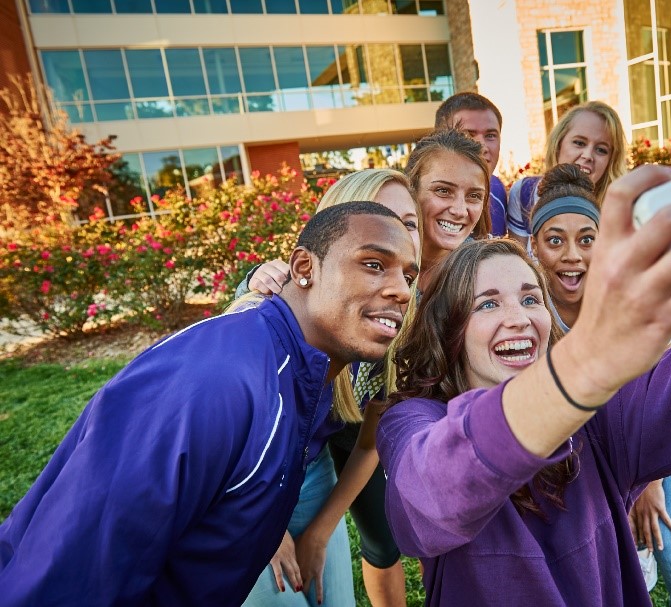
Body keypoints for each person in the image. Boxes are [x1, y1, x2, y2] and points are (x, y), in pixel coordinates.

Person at [376, 164, 671, 605]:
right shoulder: (411, 421)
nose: (519, 318)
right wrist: (584, 367)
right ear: (450, 331)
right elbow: (432, 488)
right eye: (487, 305)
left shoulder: (594, 418)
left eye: (529, 297)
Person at [0, 201, 418, 606]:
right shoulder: (215, 380)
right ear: (305, 268)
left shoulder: (309, 377)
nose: (401, 290)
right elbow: (74, 572)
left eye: (409, 275)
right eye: (373, 264)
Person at [528, 163, 671, 603]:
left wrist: (651, 483)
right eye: (555, 241)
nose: (572, 255)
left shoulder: (627, 294)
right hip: (605, 442)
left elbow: (661, 386)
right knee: (617, 547)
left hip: (668, 417)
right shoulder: (529, 307)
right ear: (533, 247)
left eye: (586, 240)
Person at [240, 169, 420, 607]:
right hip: (241, 489)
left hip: (312, 472)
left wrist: (320, 532)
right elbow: (220, 447)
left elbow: (367, 444)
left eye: (409, 224)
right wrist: (261, 525)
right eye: (380, 219)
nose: (399, 235)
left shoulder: (392, 322)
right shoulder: (269, 318)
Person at [508, 101, 627, 248]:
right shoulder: (524, 193)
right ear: (558, 144)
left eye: (601, 150)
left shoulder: (620, 211)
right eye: (579, 143)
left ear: (611, 161)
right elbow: (518, 264)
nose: (588, 155)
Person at [404, 128, 490, 291]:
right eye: (443, 191)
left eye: (474, 196)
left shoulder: (489, 271)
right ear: (411, 189)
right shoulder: (380, 264)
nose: (460, 211)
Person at [435, 92, 508, 237]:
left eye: (490, 135)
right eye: (468, 134)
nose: (482, 147)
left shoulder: (497, 189)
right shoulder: (415, 201)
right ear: (440, 138)